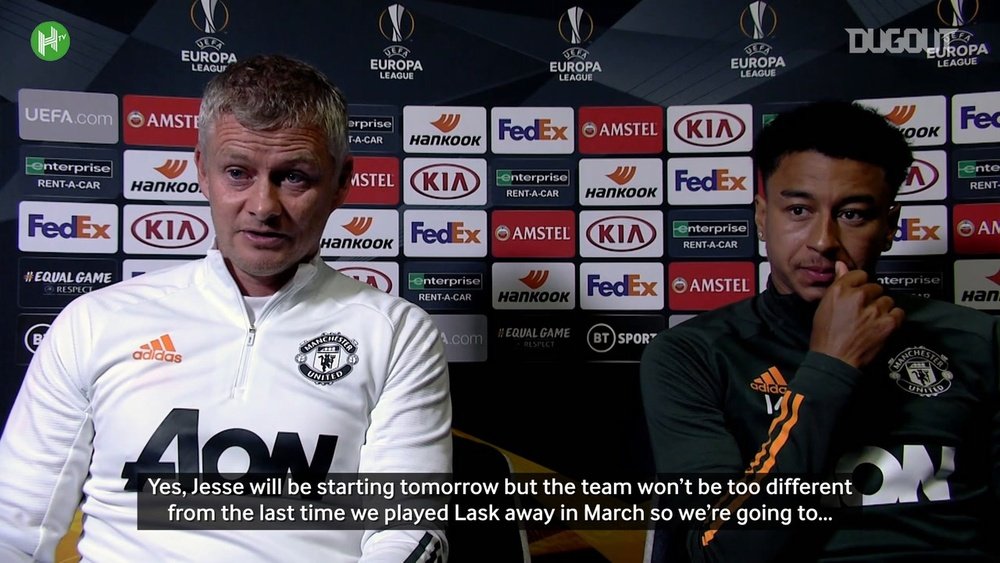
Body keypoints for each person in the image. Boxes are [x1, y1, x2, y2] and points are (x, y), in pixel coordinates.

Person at [0, 54, 451, 562]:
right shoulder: (94, 322)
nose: (263, 206)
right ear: (201, 172)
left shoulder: (396, 333)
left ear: (342, 183)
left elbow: (407, 530)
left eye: (294, 177)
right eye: (238, 172)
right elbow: (15, 522)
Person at [641, 101, 999, 562]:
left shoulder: (975, 339)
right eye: (798, 210)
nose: (823, 240)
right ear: (761, 216)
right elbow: (723, 552)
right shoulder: (694, 354)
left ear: (889, 226)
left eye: (852, 214)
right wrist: (831, 367)